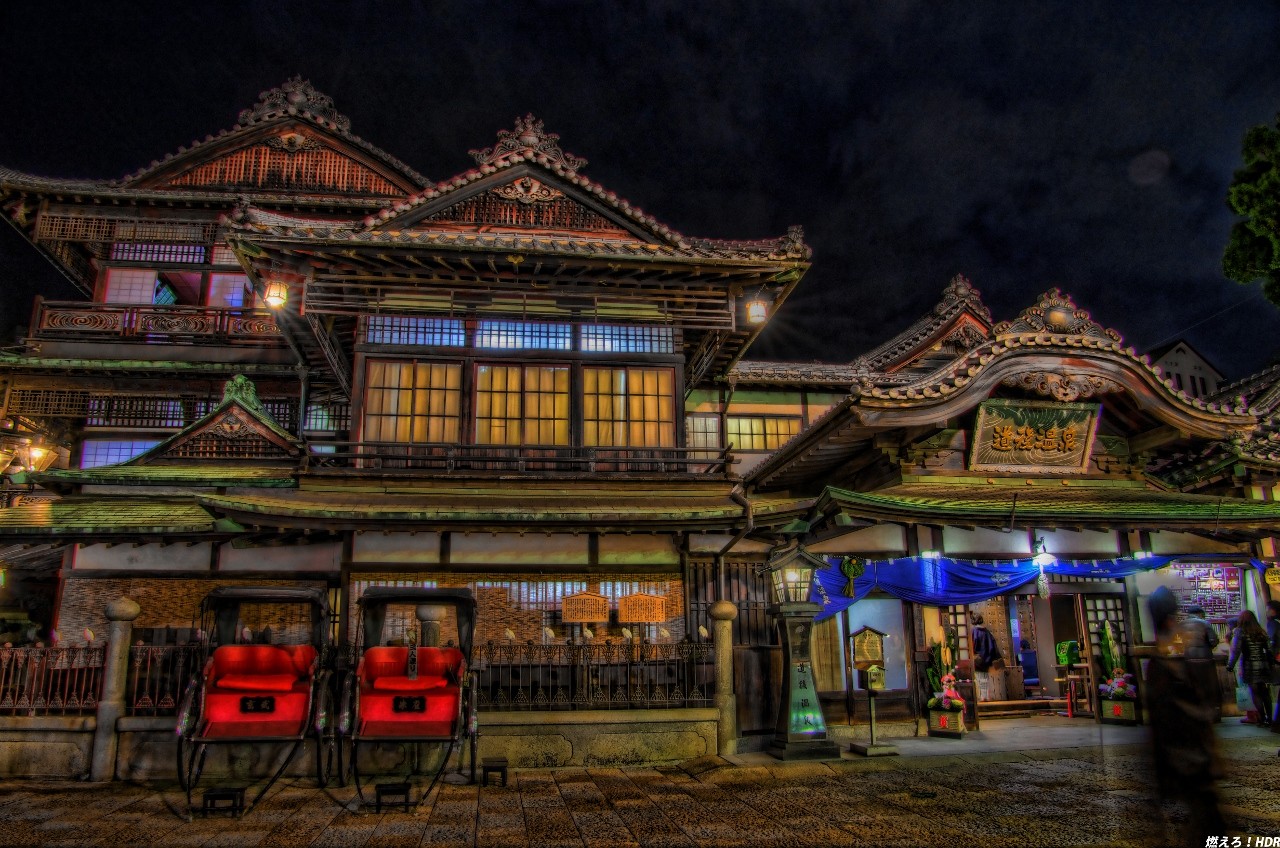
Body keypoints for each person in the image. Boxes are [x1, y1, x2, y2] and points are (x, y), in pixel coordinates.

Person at [1145, 586, 1225, 844]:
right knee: (1208, 822)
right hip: (1193, 750)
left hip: (1181, 751)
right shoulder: (1183, 651)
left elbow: (1161, 715)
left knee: (1207, 825)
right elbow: (1205, 697)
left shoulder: (1162, 658)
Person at [1227, 609, 1274, 728]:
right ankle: (1270, 718)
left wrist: (1230, 665)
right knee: (1265, 692)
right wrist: (1271, 663)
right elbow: (1269, 650)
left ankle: (1262, 719)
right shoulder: (1261, 631)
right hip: (1263, 665)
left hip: (1249, 665)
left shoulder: (1240, 632)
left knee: (1255, 693)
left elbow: (1236, 651)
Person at [970, 613, 1002, 701]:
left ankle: (981, 696)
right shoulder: (987, 632)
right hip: (987, 658)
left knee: (979, 678)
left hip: (977, 659)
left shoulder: (974, 631)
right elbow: (992, 646)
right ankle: (985, 696)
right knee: (985, 678)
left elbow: (972, 645)